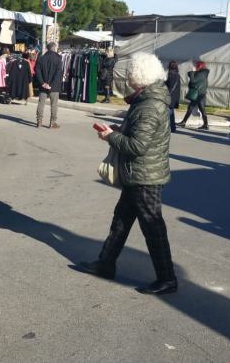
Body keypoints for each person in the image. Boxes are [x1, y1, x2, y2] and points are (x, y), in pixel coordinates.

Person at [78, 52, 178, 295]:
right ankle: (105, 264)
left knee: (153, 228)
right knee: (121, 221)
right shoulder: (147, 100)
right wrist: (116, 131)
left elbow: (137, 146)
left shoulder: (149, 105)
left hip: (145, 176)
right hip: (139, 174)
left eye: (130, 73)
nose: (127, 78)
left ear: (138, 76)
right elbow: (138, 136)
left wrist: (110, 136)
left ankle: (167, 279)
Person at [34, 42, 63, 129]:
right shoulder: (58, 59)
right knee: (54, 105)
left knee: (41, 103)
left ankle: (39, 122)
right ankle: (52, 123)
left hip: (43, 86)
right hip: (54, 86)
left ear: (47, 48)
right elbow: (58, 74)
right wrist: (50, 84)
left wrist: (43, 83)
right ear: (54, 48)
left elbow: (37, 72)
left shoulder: (41, 58)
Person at [177, 60, 209, 130]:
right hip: (200, 94)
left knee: (201, 110)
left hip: (199, 95)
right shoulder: (203, 73)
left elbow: (193, 81)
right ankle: (184, 122)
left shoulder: (201, 74)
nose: (195, 67)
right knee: (191, 108)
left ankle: (206, 125)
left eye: (196, 65)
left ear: (200, 66)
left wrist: (191, 73)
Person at [165, 60, 181, 133]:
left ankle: (169, 127)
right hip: (174, 96)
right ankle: (172, 127)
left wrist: (167, 95)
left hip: (170, 95)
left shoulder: (171, 74)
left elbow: (171, 86)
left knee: (168, 112)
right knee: (171, 112)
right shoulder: (177, 74)